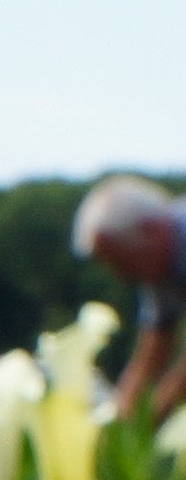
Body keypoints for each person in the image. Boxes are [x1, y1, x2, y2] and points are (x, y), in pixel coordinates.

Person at [73, 175, 186, 417]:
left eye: (120, 261)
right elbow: (153, 348)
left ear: (150, 230)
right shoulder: (159, 270)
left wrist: (150, 419)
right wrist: (119, 415)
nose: (121, 275)